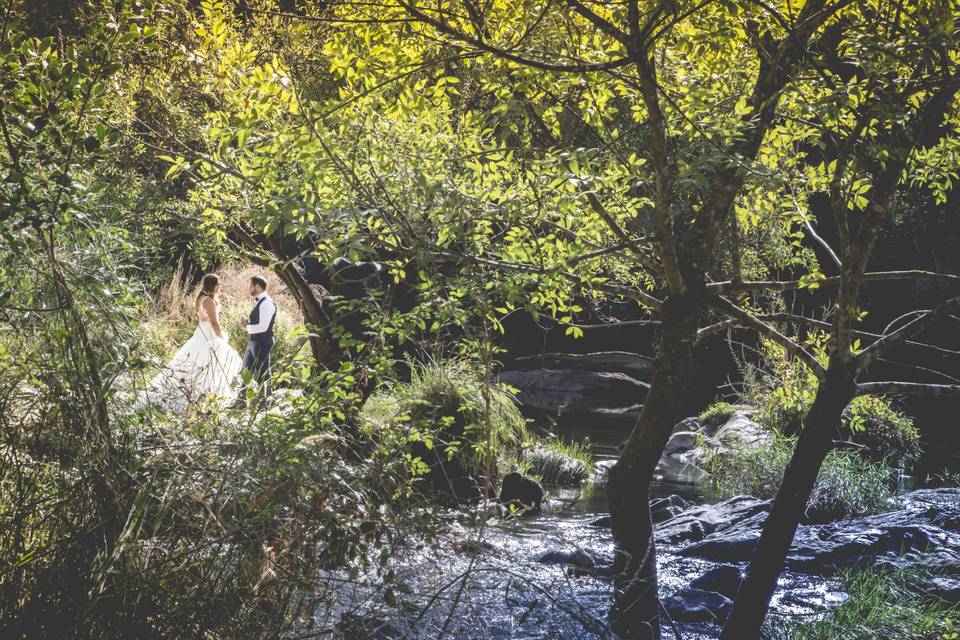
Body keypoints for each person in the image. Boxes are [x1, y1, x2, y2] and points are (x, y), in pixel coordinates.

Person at [142, 273, 244, 412]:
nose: (220, 286)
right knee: (208, 363)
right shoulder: (208, 300)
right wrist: (221, 338)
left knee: (201, 364)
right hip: (208, 334)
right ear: (213, 285)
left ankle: (201, 395)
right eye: (218, 283)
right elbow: (214, 322)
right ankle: (201, 395)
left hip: (202, 331)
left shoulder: (202, 297)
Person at [241, 275, 276, 394]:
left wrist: (247, 327)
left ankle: (266, 401)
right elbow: (258, 323)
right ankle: (241, 400)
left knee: (263, 372)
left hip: (262, 341)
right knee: (246, 370)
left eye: (251, 285)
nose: (249, 288)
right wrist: (247, 323)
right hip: (254, 341)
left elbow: (263, 327)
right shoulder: (259, 301)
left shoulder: (266, 303)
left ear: (257, 287)